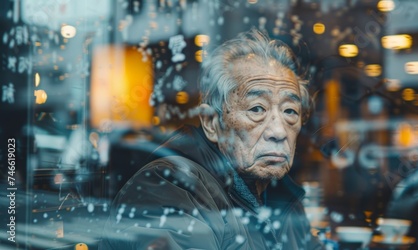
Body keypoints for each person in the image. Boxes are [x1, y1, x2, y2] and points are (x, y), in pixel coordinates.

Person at [99, 28, 324, 250]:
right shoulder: (170, 185)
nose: (279, 131)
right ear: (211, 123)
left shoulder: (280, 197)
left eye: (290, 111)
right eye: (257, 109)